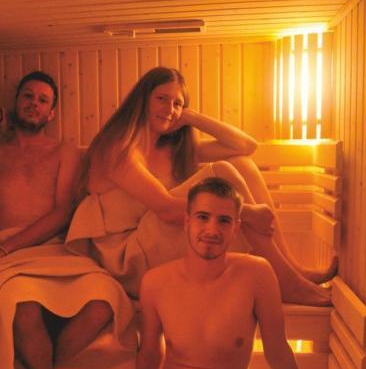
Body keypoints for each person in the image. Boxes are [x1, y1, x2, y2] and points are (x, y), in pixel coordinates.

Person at [61, 177, 346, 369]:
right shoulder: (156, 282)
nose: (212, 229)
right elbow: (150, 354)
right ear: (187, 222)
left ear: (236, 228)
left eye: (224, 220)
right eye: (202, 217)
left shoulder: (256, 275)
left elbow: (278, 353)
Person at [66, 66, 333, 306]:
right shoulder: (119, 148)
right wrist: (247, 213)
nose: (169, 109)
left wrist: (193, 118)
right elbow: (167, 209)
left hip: (155, 242)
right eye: (161, 99)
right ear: (142, 100)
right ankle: (287, 281)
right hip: (128, 260)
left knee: (240, 163)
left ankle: (290, 270)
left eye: (177, 104)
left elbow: (246, 147)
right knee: (222, 172)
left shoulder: (171, 151)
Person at [0, 71, 135, 369]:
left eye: (43, 100)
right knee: (23, 305)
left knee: (105, 300)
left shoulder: (63, 151)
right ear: (16, 103)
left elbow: (62, 212)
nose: (34, 103)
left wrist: (5, 249)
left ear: (52, 113)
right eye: (27, 96)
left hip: (51, 249)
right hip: (4, 257)